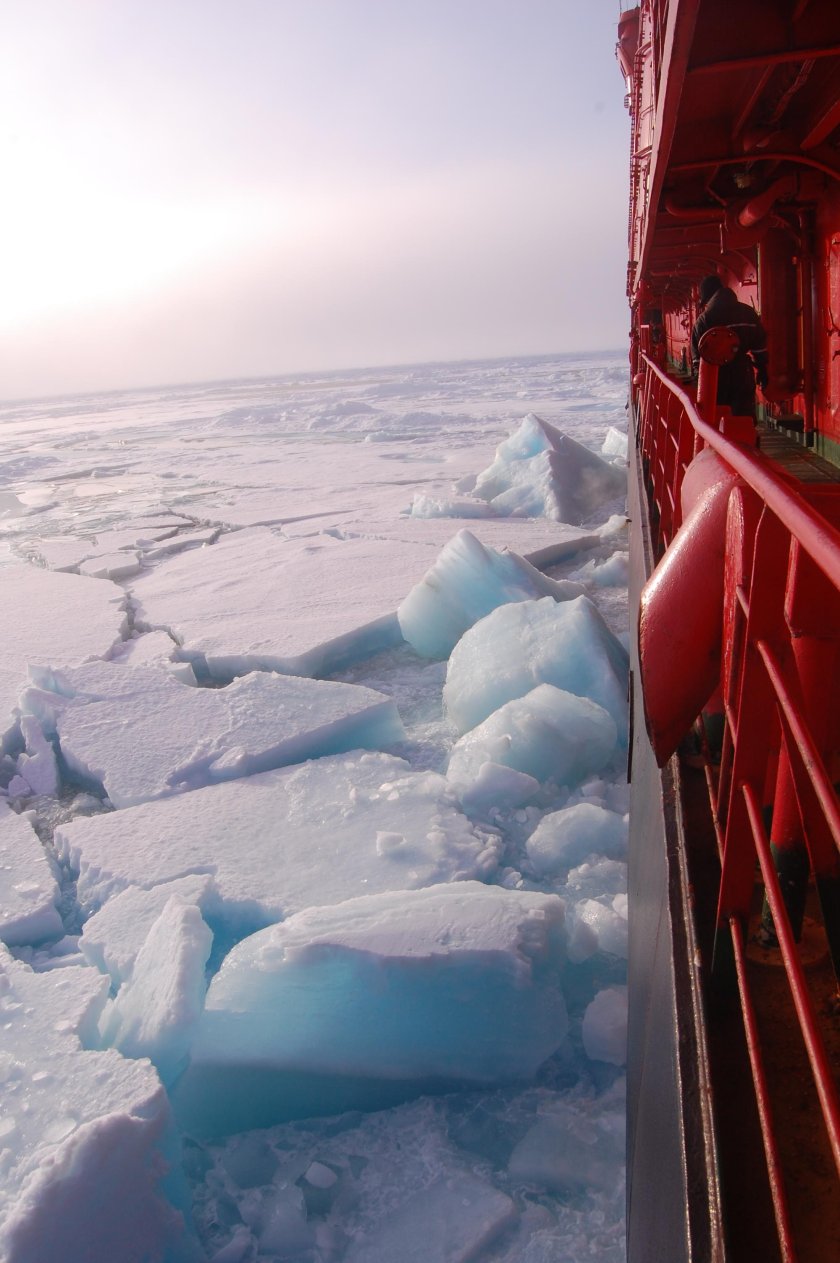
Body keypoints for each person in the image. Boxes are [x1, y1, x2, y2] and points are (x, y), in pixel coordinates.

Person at [690, 274, 768, 416]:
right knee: (744, 418)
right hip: (743, 374)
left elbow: (697, 361)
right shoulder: (748, 313)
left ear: (707, 298)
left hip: (716, 379)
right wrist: (762, 370)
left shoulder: (703, 320)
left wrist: (699, 383)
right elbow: (760, 347)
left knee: (717, 419)